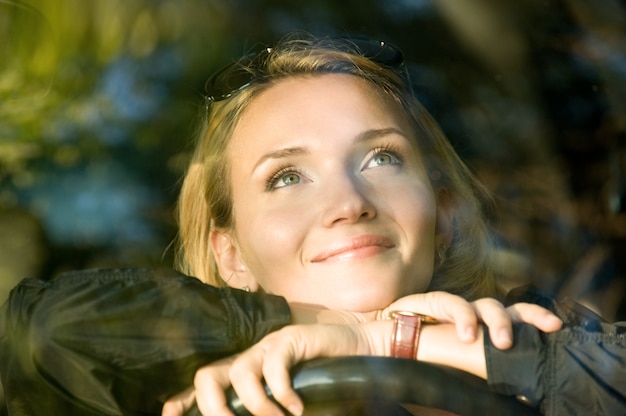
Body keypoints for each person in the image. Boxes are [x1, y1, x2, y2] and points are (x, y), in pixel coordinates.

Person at [0, 34, 622, 416]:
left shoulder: (541, 337)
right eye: (286, 177)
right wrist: (331, 328)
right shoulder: (189, 389)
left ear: (443, 216)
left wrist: (384, 343)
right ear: (231, 254)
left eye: (381, 158)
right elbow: (44, 331)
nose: (349, 202)